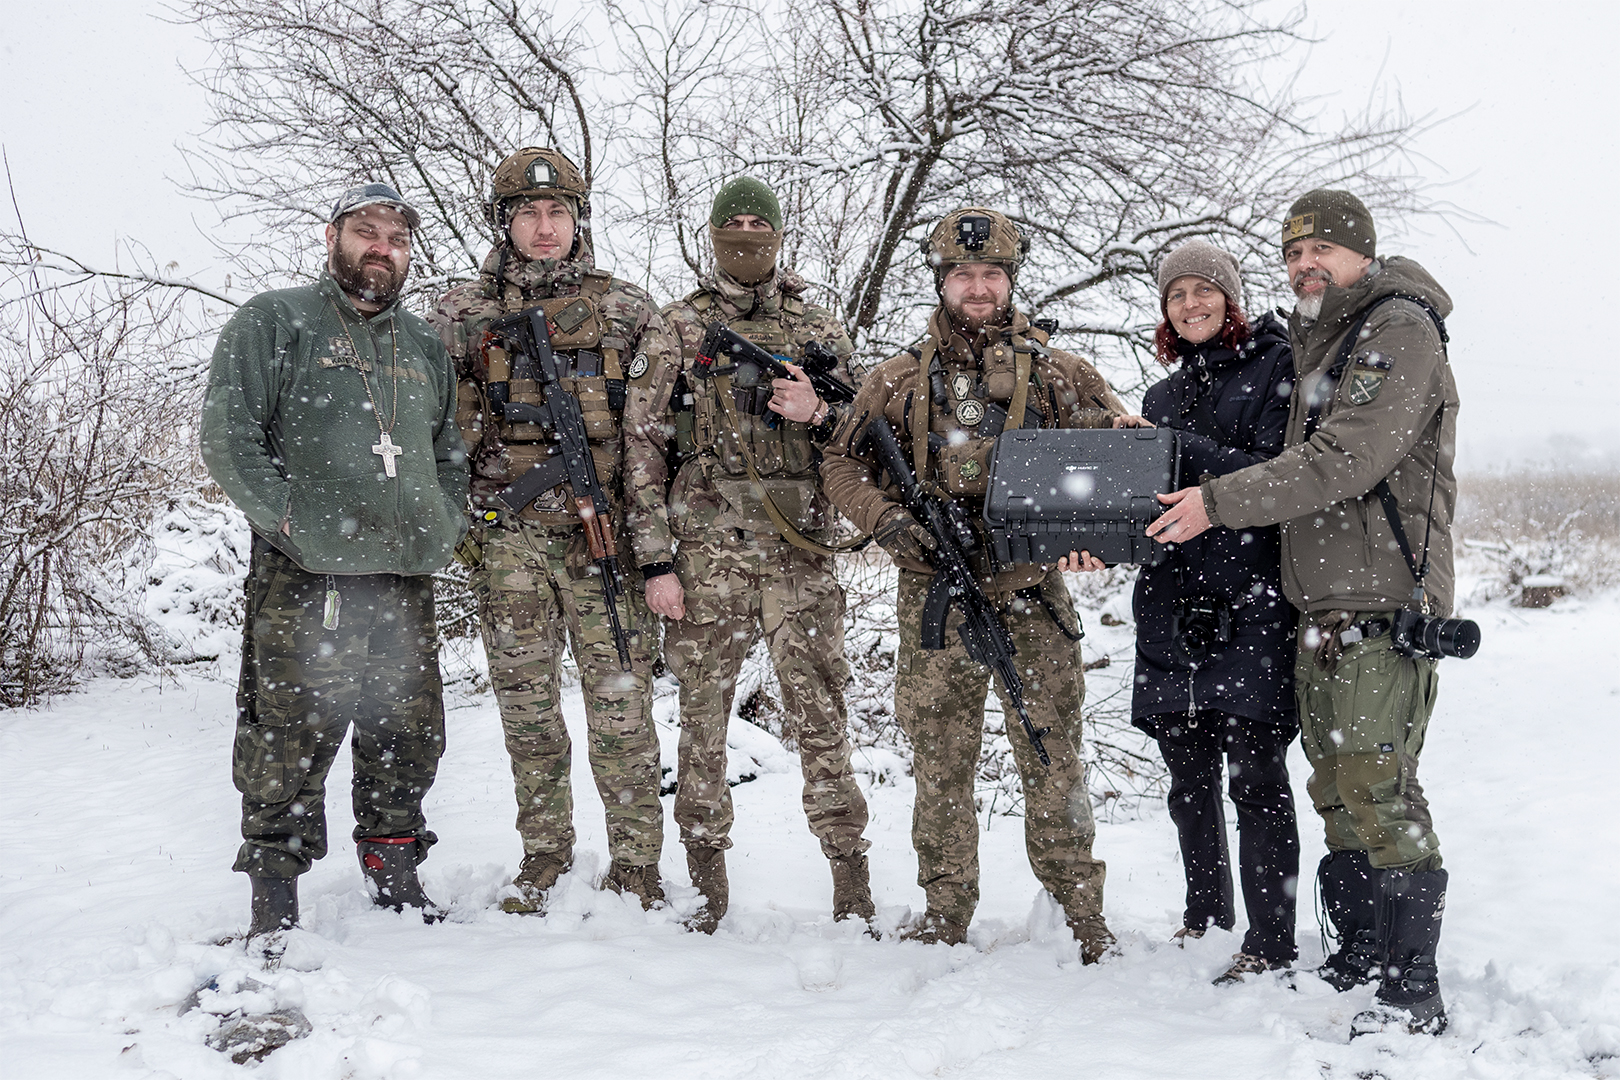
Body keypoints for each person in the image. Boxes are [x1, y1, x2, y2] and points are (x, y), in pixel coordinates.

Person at [1148, 190, 1459, 1034]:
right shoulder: (1327, 342)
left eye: (1321, 248)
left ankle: (1409, 992)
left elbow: (1344, 458)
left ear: (1361, 252)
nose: (1304, 264)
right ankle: (1359, 956)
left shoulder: (1399, 329)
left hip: (1382, 599)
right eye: (1291, 254)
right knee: (1335, 792)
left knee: (1380, 792)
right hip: (1316, 603)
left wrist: (1216, 499)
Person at [820, 207, 1124, 960]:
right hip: (935, 594)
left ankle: (1080, 913)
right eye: (964, 275)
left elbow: (1121, 453)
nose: (978, 287)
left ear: (1010, 280)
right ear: (942, 282)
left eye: (992, 275)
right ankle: (946, 910)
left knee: (1052, 751)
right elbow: (838, 464)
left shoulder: (1059, 372)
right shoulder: (894, 379)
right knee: (940, 758)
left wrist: (1086, 534)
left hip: (1030, 590)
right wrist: (890, 523)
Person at [201, 182, 470, 936]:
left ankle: (394, 870)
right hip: (305, 574)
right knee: (289, 730)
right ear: (333, 238)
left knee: (407, 732)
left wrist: (441, 524)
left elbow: (447, 451)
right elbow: (230, 440)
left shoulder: (420, 346)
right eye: (367, 230)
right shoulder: (277, 320)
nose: (382, 247)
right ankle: (273, 898)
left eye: (397, 237)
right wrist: (293, 520)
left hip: (404, 575)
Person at [623, 177, 874, 933]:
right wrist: (655, 562)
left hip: (800, 557)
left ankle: (851, 882)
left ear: (777, 235)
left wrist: (819, 410)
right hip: (704, 562)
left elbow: (865, 440)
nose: (744, 236)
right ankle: (707, 885)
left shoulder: (817, 323)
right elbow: (642, 446)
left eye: (756, 224)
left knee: (823, 717)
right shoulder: (678, 325)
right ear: (711, 235)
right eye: (730, 223)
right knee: (702, 723)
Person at [429, 148, 677, 913]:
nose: (545, 227)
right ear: (504, 222)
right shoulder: (459, 315)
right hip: (510, 543)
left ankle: (636, 860)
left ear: (578, 220)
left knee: (622, 709)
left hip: (601, 540)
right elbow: (430, 432)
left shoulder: (631, 311)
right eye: (529, 214)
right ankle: (544, 854)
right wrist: (458, 527)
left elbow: (653, 441)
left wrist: (651, 550)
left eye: (558, 212)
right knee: (528, 710)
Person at [1129, 239, 1300, 984]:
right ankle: (1207, 918)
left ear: (1231, 298)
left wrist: (1178, 448)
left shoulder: (1279, 368)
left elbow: (1274, 479)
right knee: (1186, 775)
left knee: (1257, 776)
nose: (1191, 305)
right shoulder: (1162, 396)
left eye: (1204, 291)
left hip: (1253, 603)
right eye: (1176, 295)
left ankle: (1270, 940)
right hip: (1171, 605)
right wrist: (1097, 539)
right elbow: (1149, 506)